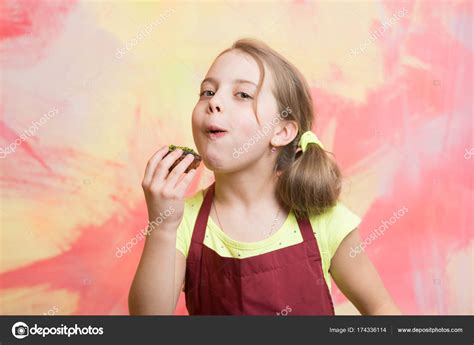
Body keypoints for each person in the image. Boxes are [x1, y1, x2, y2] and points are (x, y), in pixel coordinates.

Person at [129, 38, 400, 315]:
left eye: (243, 95)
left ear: (282, 132)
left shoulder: (322, 217)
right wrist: (161, 228)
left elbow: (380, 307)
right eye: (208, 92)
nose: (215, 102)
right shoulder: (181, 221)